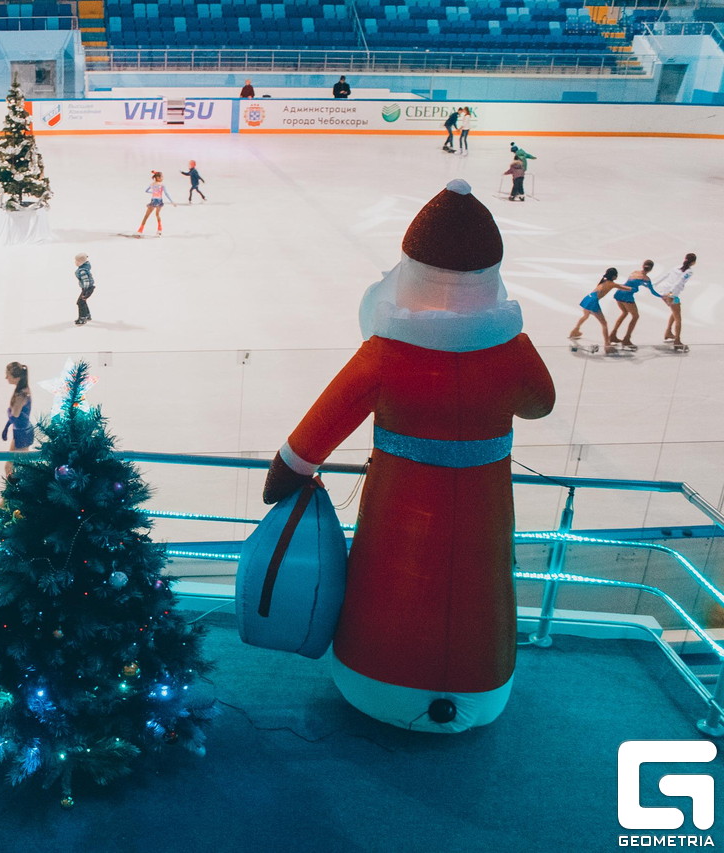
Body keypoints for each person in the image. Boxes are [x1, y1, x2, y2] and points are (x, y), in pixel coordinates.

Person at [262, 179, 554, 734]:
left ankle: (379, 677)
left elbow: (322, 424)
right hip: (486, 507)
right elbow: (542, 403)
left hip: (399, 504)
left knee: (391, 580)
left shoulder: (386, 355)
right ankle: (479, 681)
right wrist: (508, 346)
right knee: (481, 586)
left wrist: (290, 469)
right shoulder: (510, 352)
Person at [568, 268, 631, 353]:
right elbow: (624, 288)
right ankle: (607, 345)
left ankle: (575, 330)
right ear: (614, 276)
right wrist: (633, 287)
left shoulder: (604, 280)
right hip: (593, 302)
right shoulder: (611, 284)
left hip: (588, 298)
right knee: (604, 324)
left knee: (585, 316)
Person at [609, 259, 660, 350]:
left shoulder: (634, 272)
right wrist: (663, 296)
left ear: (643, 265)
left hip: (619, 293)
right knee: (635, 316)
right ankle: (627, 339)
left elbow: (633, 282)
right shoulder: (646, 279)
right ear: (651, 269)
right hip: (627, 296)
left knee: (624, 313)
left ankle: (613, 335)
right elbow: (652, 291)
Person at [656, 253, 697, 350]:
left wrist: (654, 284)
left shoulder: (676, 267)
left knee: (675, 311)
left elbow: (665, 275)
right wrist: (670, 294)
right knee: (678, 318)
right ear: (693, 262)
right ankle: (677, 341)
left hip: (664, 292)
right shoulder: (689, 272)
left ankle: (668, 332)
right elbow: (678, 283)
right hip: (671, 294)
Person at [2, 362, 33, 477]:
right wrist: (6, 427)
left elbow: (14, 415)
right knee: (10, 465)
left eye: (8, 375)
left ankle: (15, 487)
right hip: (20, 431)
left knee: (18, 466)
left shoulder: (22, 395)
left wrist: (8, 416)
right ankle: (12, 486)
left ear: (17, 377)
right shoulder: (20, 391)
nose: (6, 378)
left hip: (23, 433)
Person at [137, 171, 165, 237]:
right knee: (157, 214)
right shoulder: (162, 185)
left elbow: (146, 190)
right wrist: (172, 201)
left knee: (146, 216)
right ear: (158, 177)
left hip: (154, 201)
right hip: (160, 201)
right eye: (162, 177)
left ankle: (140, 230)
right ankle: (159, 230)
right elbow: (166, 194)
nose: (163, 178)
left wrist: (152, 192)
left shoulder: (152, 184)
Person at [74, 253, 95, 326]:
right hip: (87, 288)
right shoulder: (83, 268)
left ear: (81, 262)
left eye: (77, 261)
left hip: (87, 288)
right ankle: (87, 315)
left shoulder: (82, 270)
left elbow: (86, 281)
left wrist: (85, 291)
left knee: (80, 302)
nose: (75, 262)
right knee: (83, 301)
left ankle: (82, 318)